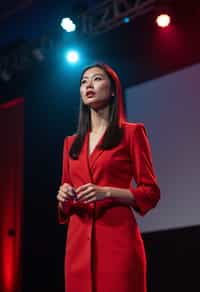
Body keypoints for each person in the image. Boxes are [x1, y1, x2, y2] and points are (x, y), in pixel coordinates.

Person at [56, 63, 160, 292]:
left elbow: (151, 192)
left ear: (113, 90)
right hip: (77, 249)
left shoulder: (132, 133)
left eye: (96, 79)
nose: (88, 85)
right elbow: (65, 203)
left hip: (117, 244)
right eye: (83, 82)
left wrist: (107, 191)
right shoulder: (69, 144)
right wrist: (63, 197)